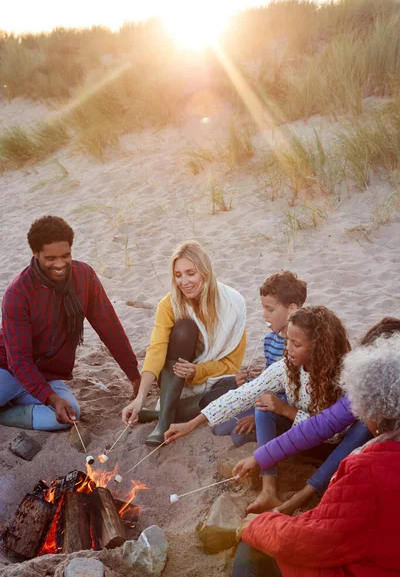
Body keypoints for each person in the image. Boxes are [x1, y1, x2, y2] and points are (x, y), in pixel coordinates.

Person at [233, 333, 400, 577]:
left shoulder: (368, 470)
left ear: (371, 408)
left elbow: (319, 540)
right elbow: (317, 427)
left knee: (251, 547)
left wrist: (259, 526)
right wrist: (261, 457)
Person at [165, 306, 351, 512]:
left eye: (296, 343)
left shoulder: (339, 378)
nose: (287, 348)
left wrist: (286, 411)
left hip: (325, 447)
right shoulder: (286, 368)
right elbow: (242, 395)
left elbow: (334, 434)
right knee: (263, 403)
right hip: (294, 437)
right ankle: (268, 488)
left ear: (318, 347)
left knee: (273, 406)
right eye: (287, 340)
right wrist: (191, 424)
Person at [0, 216, 141, 431]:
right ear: (35, 254)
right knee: (55, 405)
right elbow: (18, 361)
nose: (60, 264)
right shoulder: (18, 293)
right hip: (8, 371)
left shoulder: (84, 276)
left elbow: (109, 327)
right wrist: (52, 398)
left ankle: (6, 414)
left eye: (65, 256)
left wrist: (134, 375)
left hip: (46, 376)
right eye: (51, 258)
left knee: (68, 415)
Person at [121, 240, 246, 445]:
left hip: (212, 379)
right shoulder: (169, 304)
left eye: (190, 273)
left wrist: (197, 371)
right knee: (184, 328)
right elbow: (157, 350)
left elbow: (232, 365)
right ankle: (163, 422)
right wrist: (140, 397)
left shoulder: (232, 304)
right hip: (175, 379)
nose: (184, 281)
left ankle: (161, 415)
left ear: (204, 272)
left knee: (233, 394)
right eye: (178, 275)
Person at [213, 271, 307, 447]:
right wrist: (248, 382)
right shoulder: (270, 340)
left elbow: (291, 393)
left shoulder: (299, 347)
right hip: (267, 401)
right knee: (219, 427)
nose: (264, 314)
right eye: (263, 308)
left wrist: (256, 417)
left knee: (238, 436)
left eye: (270, 309)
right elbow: (268, 381)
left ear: (292, 309)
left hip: (284, 410)